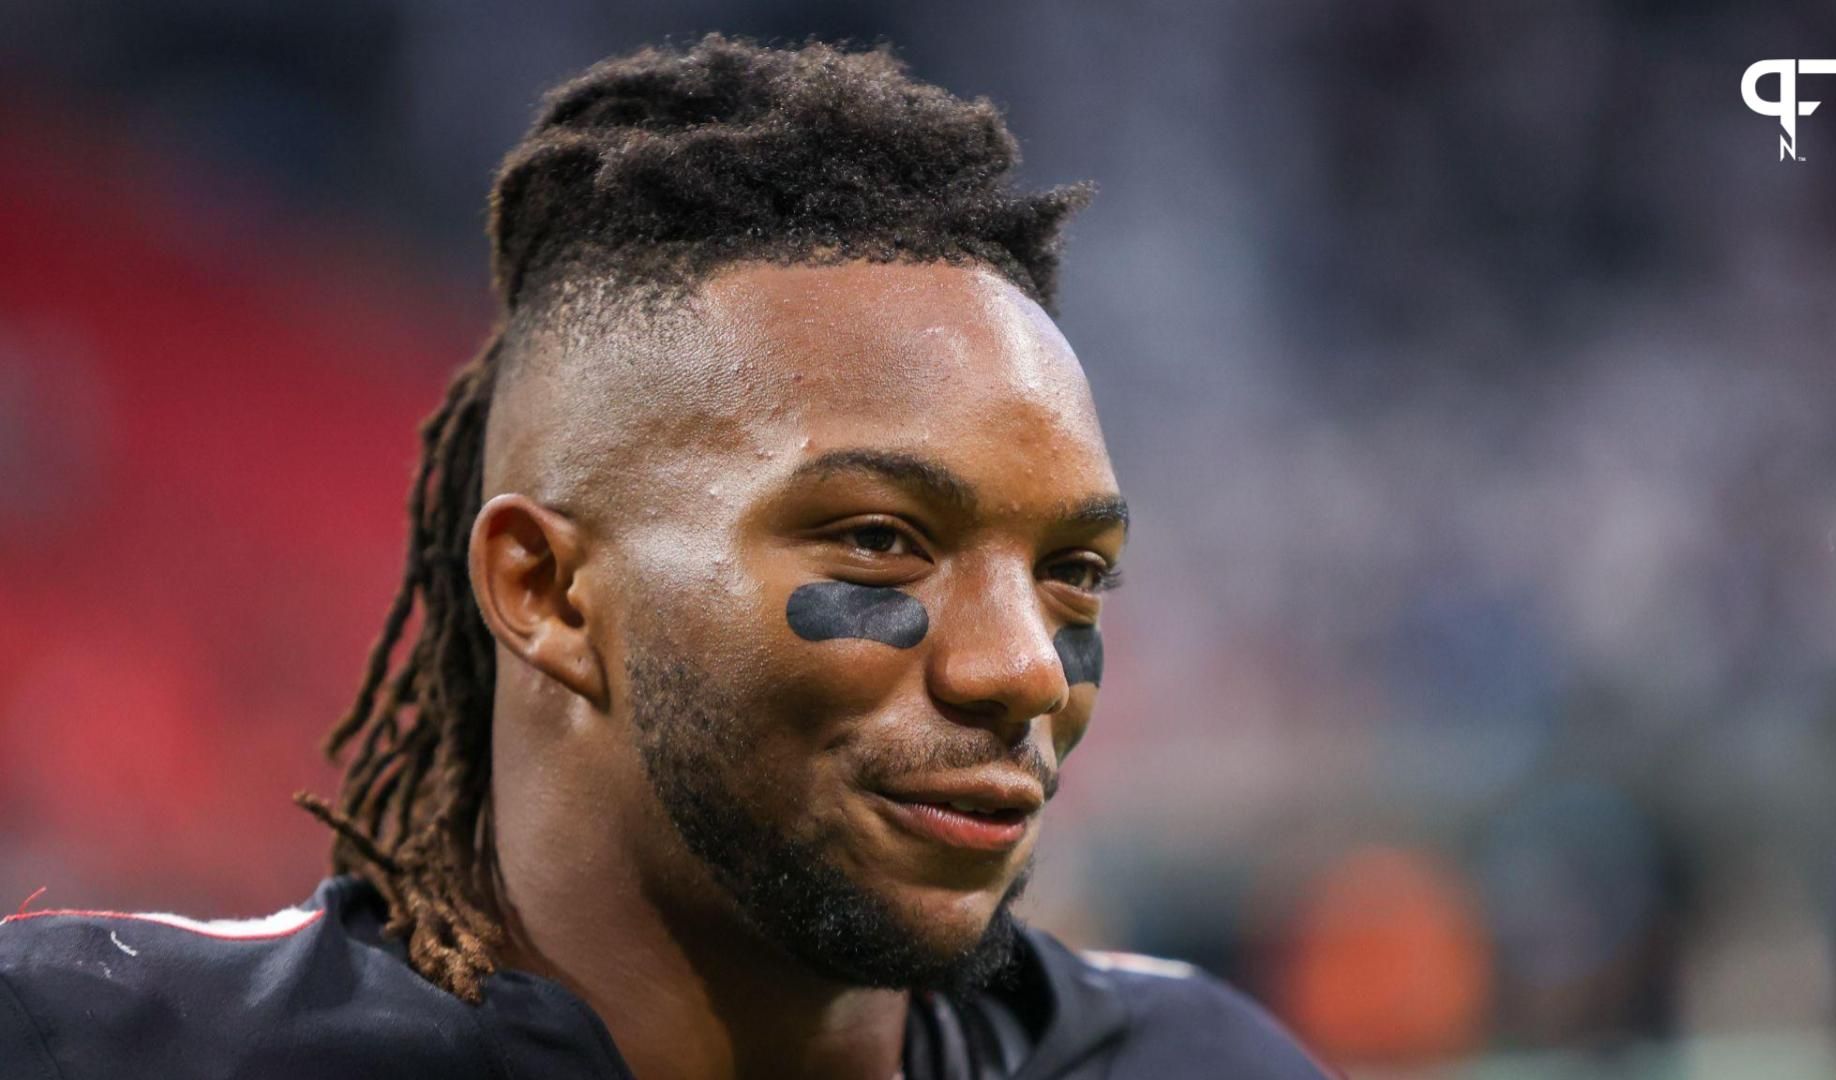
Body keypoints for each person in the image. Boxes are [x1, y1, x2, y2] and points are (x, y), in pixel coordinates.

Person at [0, 35, 1331, 1079]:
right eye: (880, 542)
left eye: (1073, 572)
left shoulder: (1198, 1062)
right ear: (550, 593)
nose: (1024, 671)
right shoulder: (99, 1048)